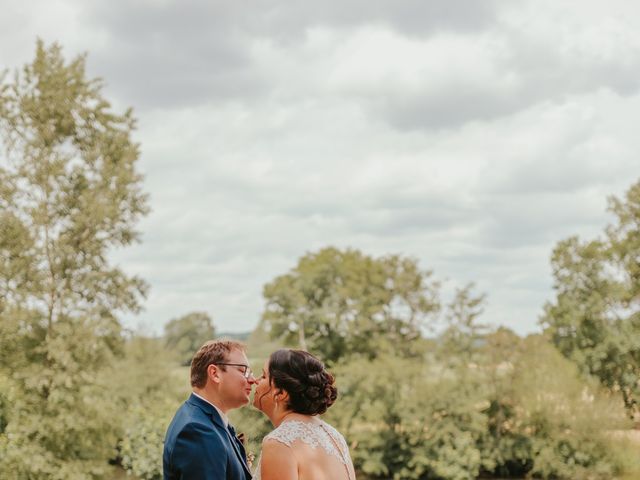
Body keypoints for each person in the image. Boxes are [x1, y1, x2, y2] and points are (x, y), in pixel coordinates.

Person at [252, 349, 356, 480]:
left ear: (281, 394)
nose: (255, 380)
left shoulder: (279, 442)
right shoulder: (335, 437)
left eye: (263, 376)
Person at [163, 339, 256, 480]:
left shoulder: (204, 418)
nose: (252, 379)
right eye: (243, 370)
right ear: (215, 373)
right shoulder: (197, 430)